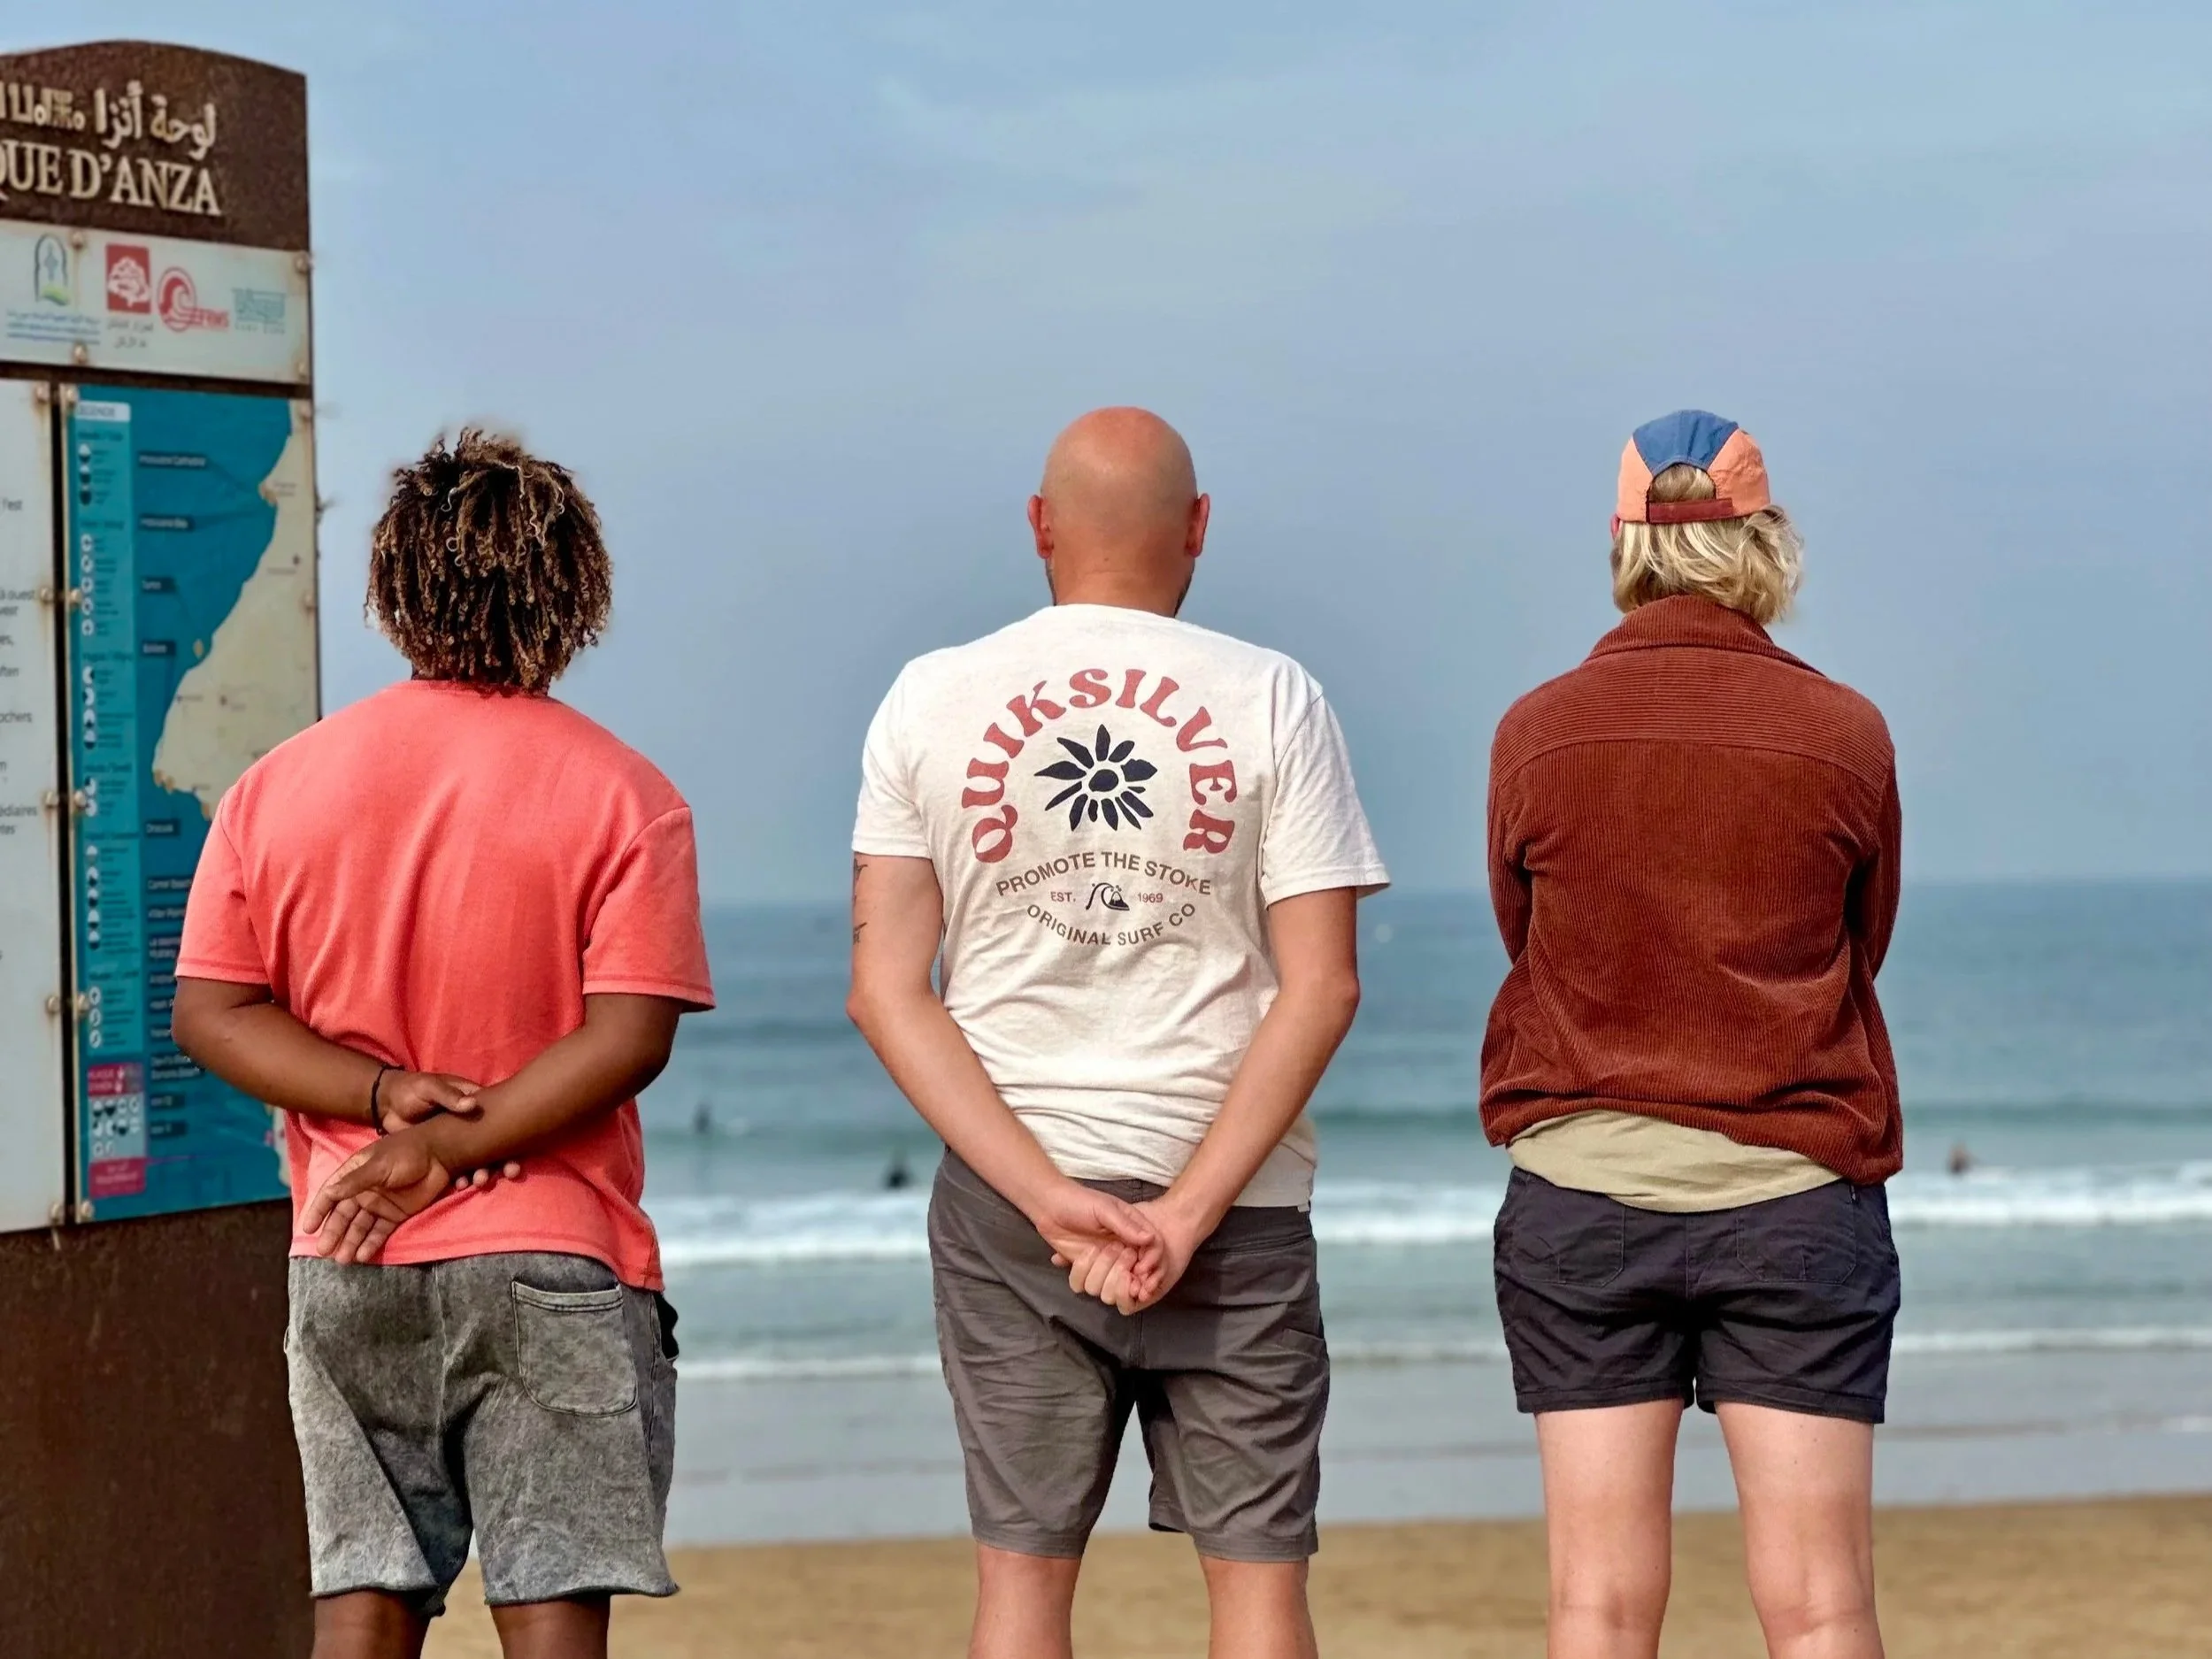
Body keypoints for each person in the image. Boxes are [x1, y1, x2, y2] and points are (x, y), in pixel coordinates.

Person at [846, 407, 1389, 1659]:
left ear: (1038, 528)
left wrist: (1043, 1196)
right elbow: (1324, 989)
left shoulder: (930, 698)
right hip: (1236, 1201)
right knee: (1258, 1586)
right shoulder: (1275, 696)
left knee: (1022, 1587)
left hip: (1010, 1206)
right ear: (1199, 529)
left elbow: (887, 988)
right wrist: (1190, 1210)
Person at [173, 431, 715, 1659]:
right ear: (573, 596)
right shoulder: (627, 794)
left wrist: (380, 1102)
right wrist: (453, 1144)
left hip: (347, 1244)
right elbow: (630, 1035)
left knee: (360, 1601)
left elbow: (213, 1011)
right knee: (552, 1609)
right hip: (552, 1259)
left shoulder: (277, 787)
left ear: (391, 589)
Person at [1483, 411, 1902, 1659]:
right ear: (1764, 542)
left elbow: (1531, 937)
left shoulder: (1537, 729)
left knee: (1599, 1607)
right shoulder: (1846, 731)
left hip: (1585, 1196)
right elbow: (1858, 940)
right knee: (1821, 1606)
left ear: (1629, 544)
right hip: (1792, 1193)